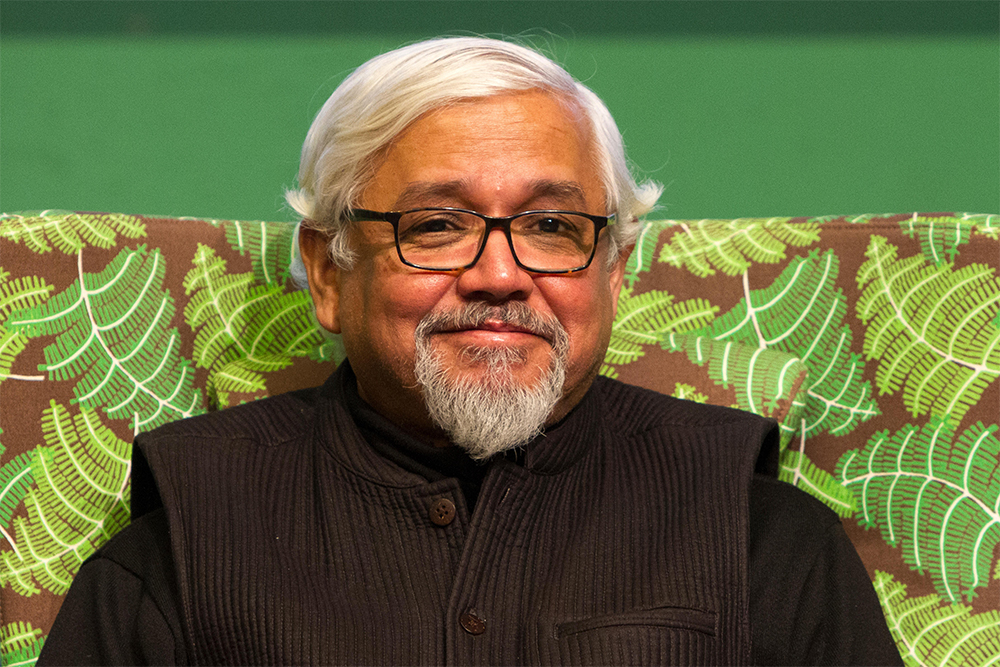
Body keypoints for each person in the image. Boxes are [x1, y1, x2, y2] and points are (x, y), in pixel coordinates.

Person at [39, 37, 902, 666]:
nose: (500, 275)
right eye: (438, 225)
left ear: (612, 270)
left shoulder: (758, 533)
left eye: (554, 226)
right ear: (328, 271)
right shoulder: (188, 538)